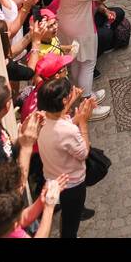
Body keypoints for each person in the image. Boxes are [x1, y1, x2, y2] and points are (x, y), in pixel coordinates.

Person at [54, 0, 112, 112]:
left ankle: (83, 94)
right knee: (87, 64)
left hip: (63, 24)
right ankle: (88, 106)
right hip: (82, 30)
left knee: (74, 62)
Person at [36, 77, 95, 238]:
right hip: (72, 185)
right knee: (70, 223)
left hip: (52, 180)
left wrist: (73, 108)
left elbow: (63, 122)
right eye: (69, 94)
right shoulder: (68, 130)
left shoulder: (43, 120)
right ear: (63, 101)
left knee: (62, 216)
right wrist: (83, 122)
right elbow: (83, 153)